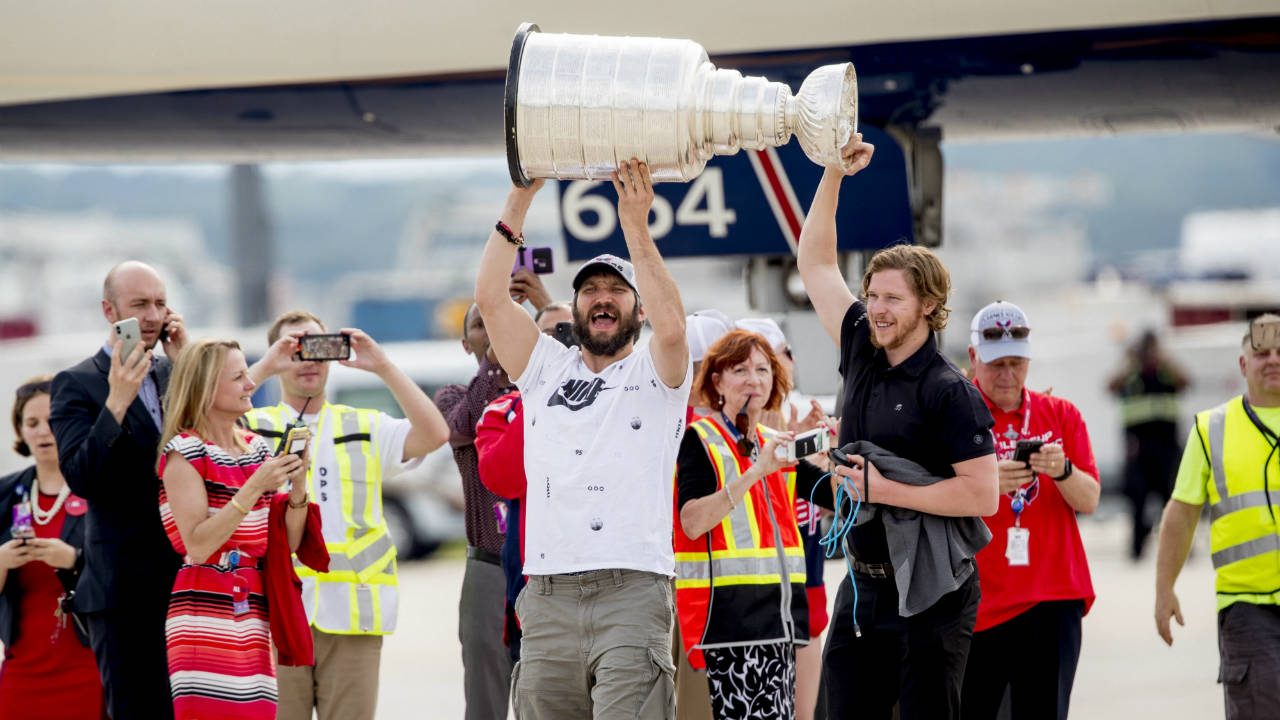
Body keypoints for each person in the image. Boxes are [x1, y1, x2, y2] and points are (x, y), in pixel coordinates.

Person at [474, 159, 690, 719]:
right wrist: (523, 194)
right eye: (590, 289)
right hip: (546, 596)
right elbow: (492, 299)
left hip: (633, 590)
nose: (602, 298)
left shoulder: (658, 373)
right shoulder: (544, 367)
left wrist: (635, 227)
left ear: (636, 306)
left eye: (616, 291)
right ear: (572, 307)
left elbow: (672, 329)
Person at [796, 136, 999, 720]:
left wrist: (884, 490)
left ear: (928, 306)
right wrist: (834, 174)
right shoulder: (862, 344)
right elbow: (814, 262)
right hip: (865, 586)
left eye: (892, 298)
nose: (877, 308)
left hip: (934, 594)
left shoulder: (948, 390)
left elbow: (982, 495)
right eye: (872, 295)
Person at [243, 311, 450, 720]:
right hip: (275, 616)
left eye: (317, 348)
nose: (307, 359)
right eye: (294, 348)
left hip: (353, 616)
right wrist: (265, 366)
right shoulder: (250, 429)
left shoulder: (363, 424)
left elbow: (434, 434)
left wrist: (383, 367)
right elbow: (198, 421)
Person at [674, 329, 837, 719]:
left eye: (763, 369)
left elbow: (833, 498)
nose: (754, 379)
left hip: (779, 626)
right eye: (740, 369)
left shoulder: (774, 441)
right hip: (728, 626)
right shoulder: (699, 438)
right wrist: (753, 473)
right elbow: (692, 522)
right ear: (717, 382)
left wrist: (833, 454)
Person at [49, 260, 187, 719]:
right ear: (110, 311)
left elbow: (227, 445)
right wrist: (116, 402)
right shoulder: (77, 383)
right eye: (140, 304)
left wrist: (188, 361)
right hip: (123, 589)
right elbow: (83, 477)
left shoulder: (175, 375)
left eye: (160, 303)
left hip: (189, 579)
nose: (152, 316)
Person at [158, 338, 324, 719]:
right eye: (239, 377)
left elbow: (288, 543)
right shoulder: (183, 453)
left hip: (252, 606)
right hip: (204, 610)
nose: (251, 384)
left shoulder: (256, 448)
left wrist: (297, 485)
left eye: (247, 374)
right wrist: (253, 488)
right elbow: (197, 545)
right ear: (205, 388)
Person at [959, 301, 1101, 720]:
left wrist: (1063, 471)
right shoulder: (955, 417)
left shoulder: (1060, 414)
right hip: (977, 602)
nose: (1007, 375)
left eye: (1016, 363)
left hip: (1050, 597)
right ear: (973, 358)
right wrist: (984, 485)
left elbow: (1090, 499)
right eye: (996, 363)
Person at [435, 269, 554, 720]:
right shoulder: (452, 396)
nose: (492, 329)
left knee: (553, 690)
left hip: (548, 562)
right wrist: (498, 361)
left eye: (501, 319)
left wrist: (540, 305)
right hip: (488, 563)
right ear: (466, 344)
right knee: (485, 693)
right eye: (480, 324)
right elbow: (461, 426)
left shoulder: (548, 391)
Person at [1154, 313, 1280, 720]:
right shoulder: (1212, 429)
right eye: (1262, 352)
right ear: (1244, 364)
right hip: (1248, 608)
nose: (1273, 360)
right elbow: (1181, 513)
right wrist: (1164, 589)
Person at [734, 316, 833, 720]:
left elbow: (828, 506)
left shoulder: (806, 423)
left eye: (776, 359)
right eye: (752, 365)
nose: (767, 374)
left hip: (807, 588)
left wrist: (824, 458)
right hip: (751, 598)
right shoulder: (728, 435)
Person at [474, 301, 574, 665]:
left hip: (613, 590)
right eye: (546, 337)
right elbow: (505, 480)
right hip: (535, 597)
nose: (558, 346)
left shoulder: (620, 403)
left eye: (568, 334)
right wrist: (540, 396)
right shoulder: (503, 411)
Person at [0, 376, 103, 718]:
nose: (44, 432)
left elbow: (125, 569)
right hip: (23, 667)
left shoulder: (98, 490)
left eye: (52, 421)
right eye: (32, 423)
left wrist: (74, 559)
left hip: (89, 663)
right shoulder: (5, 493)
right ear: (20, 431)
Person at [1108, 330, 1189, 559]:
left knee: (1173, 502)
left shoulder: (1166, 372)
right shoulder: (1131, 374)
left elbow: (1186, 382)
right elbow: (1111, 386)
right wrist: (1128, 362)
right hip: (1138, 452)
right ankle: (1137, 550)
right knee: (1137, 503)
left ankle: (1180, 550)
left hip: (1167, 450)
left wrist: (1165, 359)